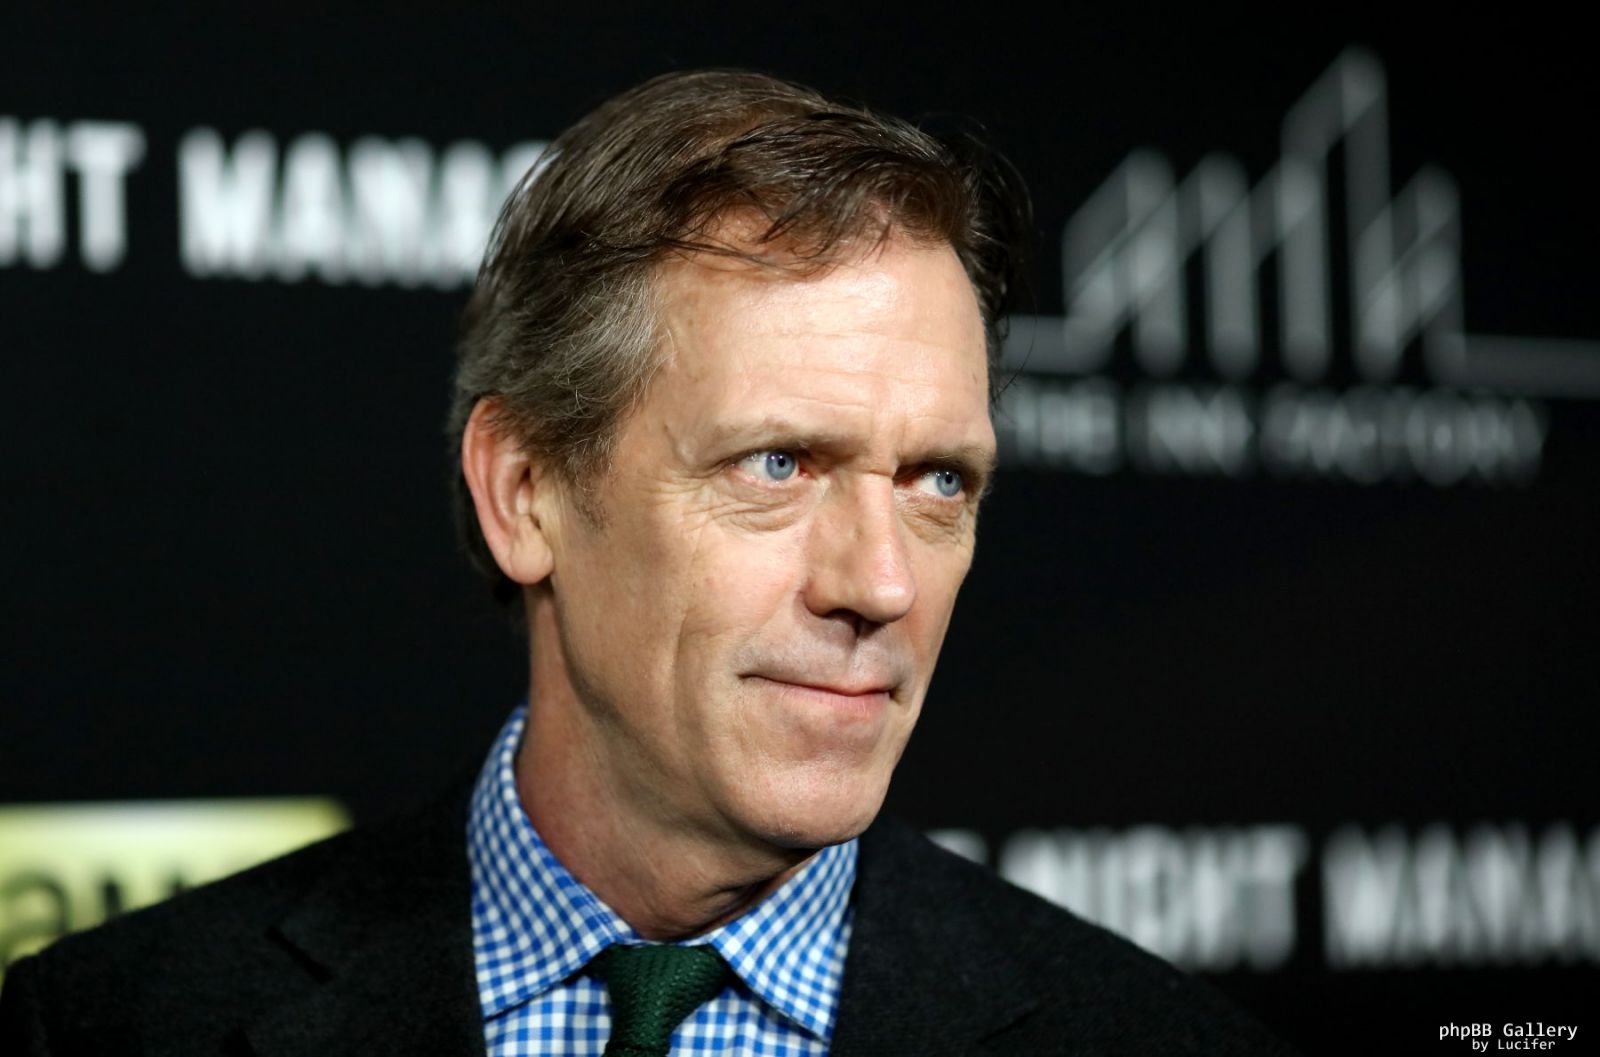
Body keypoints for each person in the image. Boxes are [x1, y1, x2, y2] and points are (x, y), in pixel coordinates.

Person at [0, 71, 1293, 1056]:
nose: (881, 584)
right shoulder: (112, 1026)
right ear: (526, 492)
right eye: (777, 463)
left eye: (938, 481)